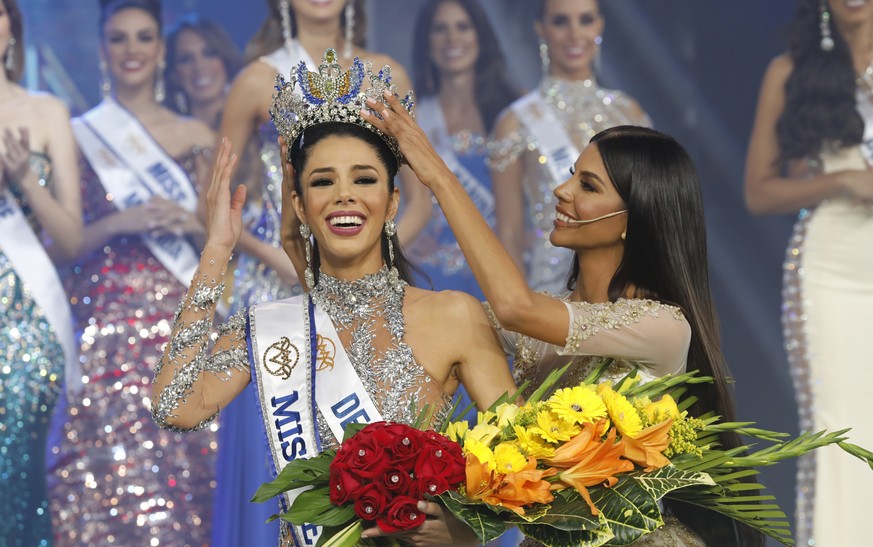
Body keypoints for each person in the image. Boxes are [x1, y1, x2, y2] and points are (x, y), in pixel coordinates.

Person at [363, 87, 765, 544]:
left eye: (587, 186)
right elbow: (435, 321)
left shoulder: (662, 327)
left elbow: (515, 308)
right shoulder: (542, 325)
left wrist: (437, 174)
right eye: (572, 174)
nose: (560, 189)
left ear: (634, 217)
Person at [151, 50, 517, 547]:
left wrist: (464, 532)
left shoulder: (453, 314)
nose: (344, 195)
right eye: (323, 181)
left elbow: (520, 465)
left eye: (364, 179)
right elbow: (175, 407)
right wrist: (217, 250)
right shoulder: (272, 325)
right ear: (300, 204)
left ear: (391, 201)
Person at [212, 2, 432, 542]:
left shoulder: (389, 75)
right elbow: (214, 201)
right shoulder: (254, 80)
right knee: (280, 443)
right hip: (277, 284)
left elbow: (421, 196)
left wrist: (362, 251)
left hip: (369, 283)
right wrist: (289, 259)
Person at [46, 1, 217, 545]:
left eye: (144, 38)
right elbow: (59, 245)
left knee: (193, 479)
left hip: (186, 325)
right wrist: (123, 221)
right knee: (115, 485)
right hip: (107, 335)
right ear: (102, 49)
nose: (132, 50)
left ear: (161, 49)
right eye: (119, 39)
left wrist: (188, 222)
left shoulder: (198, 134)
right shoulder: (77, 134)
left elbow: (223, 241)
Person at [744, 1, 873, 544]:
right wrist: (840, 183)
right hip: (831, 268)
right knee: (840, 426)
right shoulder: (791, 71)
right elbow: (758, 191)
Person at [489, 0, 650, 295]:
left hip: (623, 284)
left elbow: (648, 215)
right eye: (561, 21)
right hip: (549, 285)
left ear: (600, 25)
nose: (575, 33)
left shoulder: (629, 113)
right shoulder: (516, 121)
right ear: (541, 28)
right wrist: (517, 305)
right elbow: (509, 232)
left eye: (586, 20)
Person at [0, 0, 82, 544]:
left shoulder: (47, 111)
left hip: (29, 327)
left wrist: (26, 179)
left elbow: (72, 239)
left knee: (18, 476)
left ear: (12, 28)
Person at [409, 0, 519, 297]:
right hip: (433, 272)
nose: (452, 39)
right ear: (427, 41)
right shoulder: (414, 115)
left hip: (497, 264)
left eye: (463, 27)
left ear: (480, 36)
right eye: (440, 29)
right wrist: (399, 239)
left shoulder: (512, 110)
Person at [164, 13, 243, 130]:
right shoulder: (167, 136)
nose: (199, 66)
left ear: (225, 61)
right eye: (185, 59)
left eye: (209, 54)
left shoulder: (255, 124)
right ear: (174, 75)